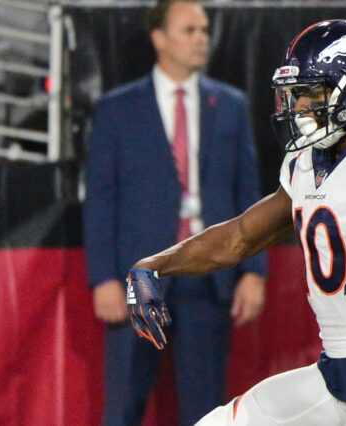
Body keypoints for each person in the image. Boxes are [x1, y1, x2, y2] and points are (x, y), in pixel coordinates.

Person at [125, 19, 346, 426]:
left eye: (312, 92)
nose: (300, 106)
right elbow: (238, 238)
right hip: (337, 371)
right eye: (296, 94)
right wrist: (155, 265)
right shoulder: (304, 165)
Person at [82, 0, 267, 424]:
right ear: (159, 38)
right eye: (189, 30)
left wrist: (254, 271)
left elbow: (250, 193)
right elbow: (101, 198)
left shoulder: (231, 106)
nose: (202, 38)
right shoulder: (117, 109)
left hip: (208, 275)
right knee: (125, 402)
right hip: (139, 277)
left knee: (206, 409)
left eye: (204, 29)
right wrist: (104, 279)